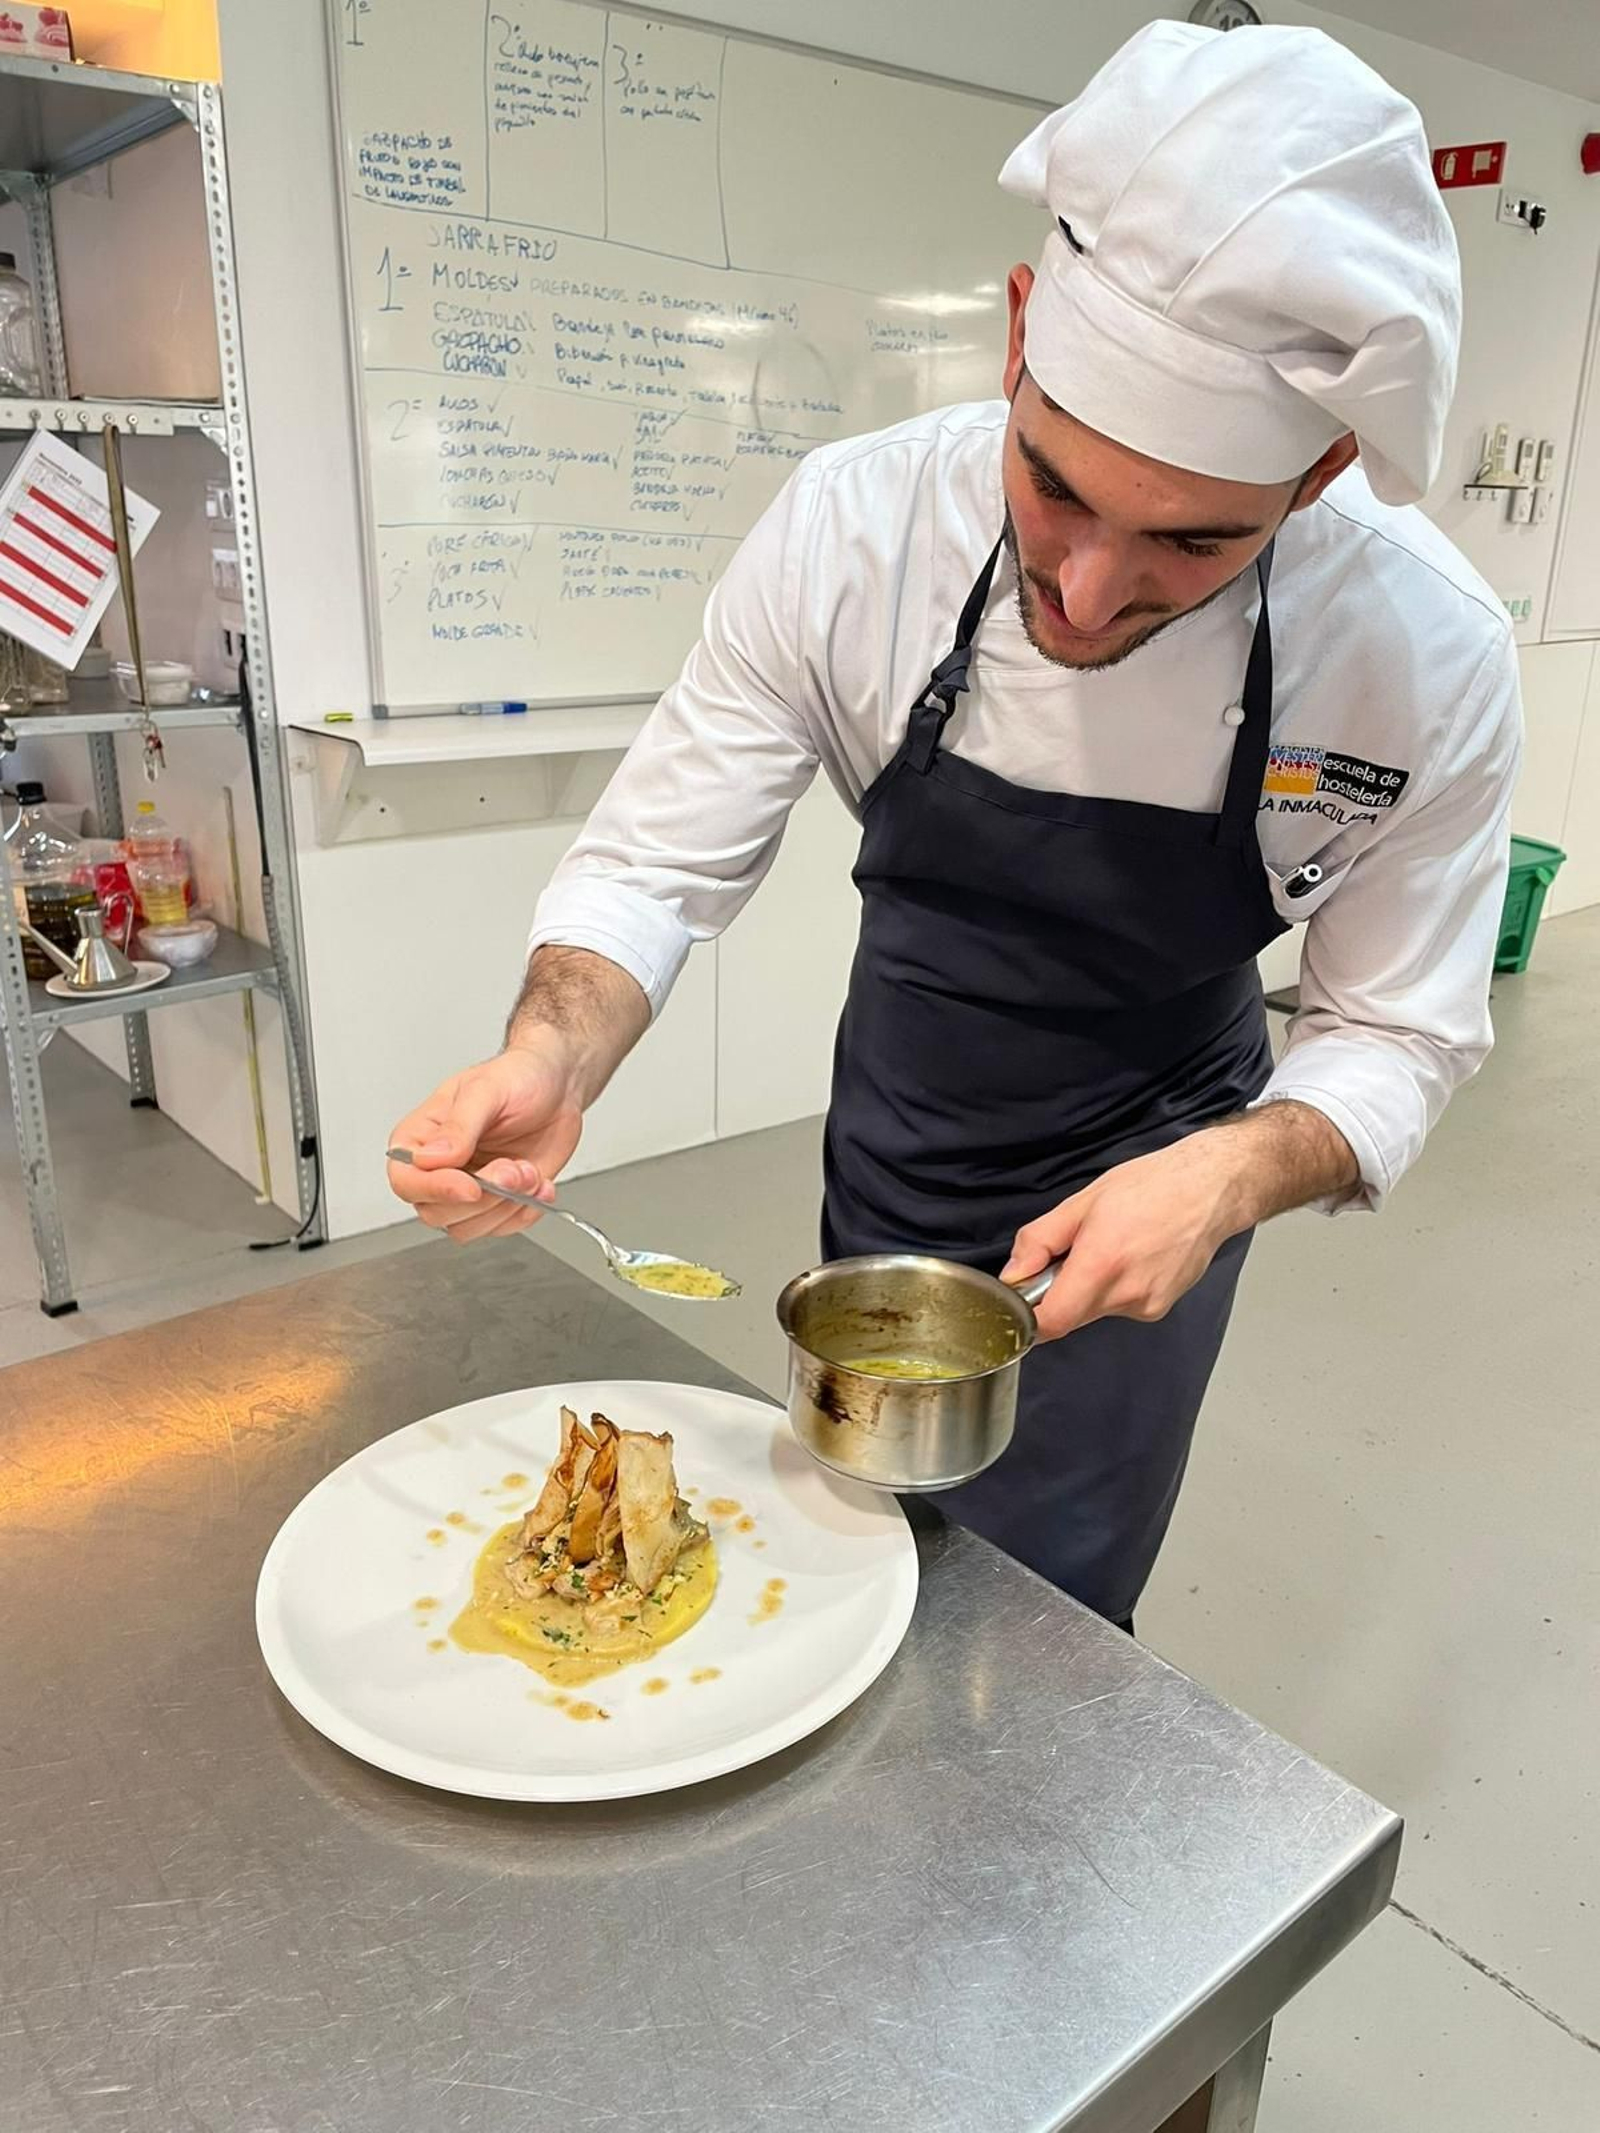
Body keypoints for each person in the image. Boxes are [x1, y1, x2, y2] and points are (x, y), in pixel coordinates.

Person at [389, 22, 1520, 1629]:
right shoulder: (853, 533)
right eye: (1054, 488)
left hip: (1168, 1152)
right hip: (906, 1119)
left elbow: (1399, 1028)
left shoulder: (1419, 654)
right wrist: (552, 1054)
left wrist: (1227, 1176)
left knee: (1050, 1604)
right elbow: (655, 858)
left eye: (1191, 545)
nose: (1089, 592)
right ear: (1018, 331)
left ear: (1323, 468)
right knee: (851, 1544)